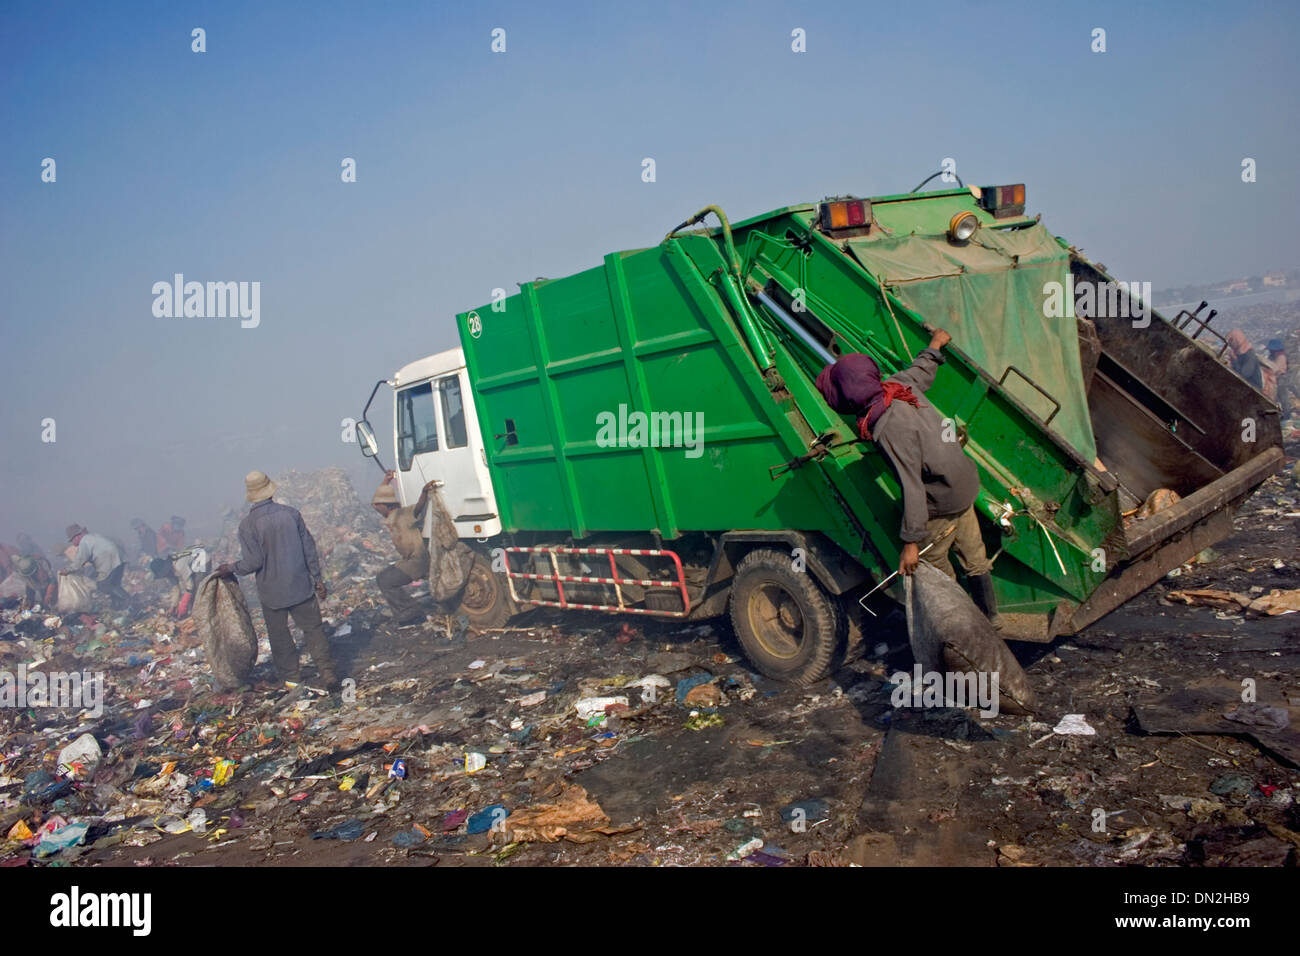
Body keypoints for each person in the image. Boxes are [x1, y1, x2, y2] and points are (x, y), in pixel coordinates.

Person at [815, 328, 1001, 626]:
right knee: (974, 557)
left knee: (936, 570)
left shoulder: (887, 428)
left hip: (941, 498)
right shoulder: (896, 386)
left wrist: (911, 543)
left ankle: (965, 628)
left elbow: (912, 486)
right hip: (964, 484)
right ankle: (991, 619)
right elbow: (923, 371)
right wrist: (936, 344)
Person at [214, 472, 339, 688]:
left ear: (251, 495)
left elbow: (253, 562)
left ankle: (291, 679)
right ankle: (327, 673)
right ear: (270, 490)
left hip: (272, 593)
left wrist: (230, 568)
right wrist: (317, 578)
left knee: (280, 636)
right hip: (300, 585)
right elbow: (309, 548)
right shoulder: (291, 514)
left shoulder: (247, 526)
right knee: (313, 630)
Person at [372, 472, 437, 627]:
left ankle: (411, 613)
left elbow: (419, 507)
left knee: (386, 581)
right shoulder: (391, 517)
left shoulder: (404, 514)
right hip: (408, 561)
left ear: (386, 505)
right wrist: (385, 481)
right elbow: (377, 501)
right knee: (382, 577)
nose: (376, 508)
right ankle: (407, 612)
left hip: (418, 561)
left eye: (378, 505)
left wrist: (424, 492)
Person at [64, 524, 129, 609]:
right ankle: (118, 606)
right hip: (119, 559)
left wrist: (67, 570)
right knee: (114, 584)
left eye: (72, 540)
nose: (73, 543)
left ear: (76, 537)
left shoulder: (84, 542)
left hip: (110, 560)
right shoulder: (93, 537)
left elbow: (79, 560)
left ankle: (126, 598)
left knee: (102, 585)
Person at [1265, 338, 1293, 414]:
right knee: (1276, 398)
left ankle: (1287, 416)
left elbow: (1275, 369)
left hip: (1281, 379)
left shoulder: (1281, 357)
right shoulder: (1272, 356)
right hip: (1275, 379)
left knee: (1283, 398)